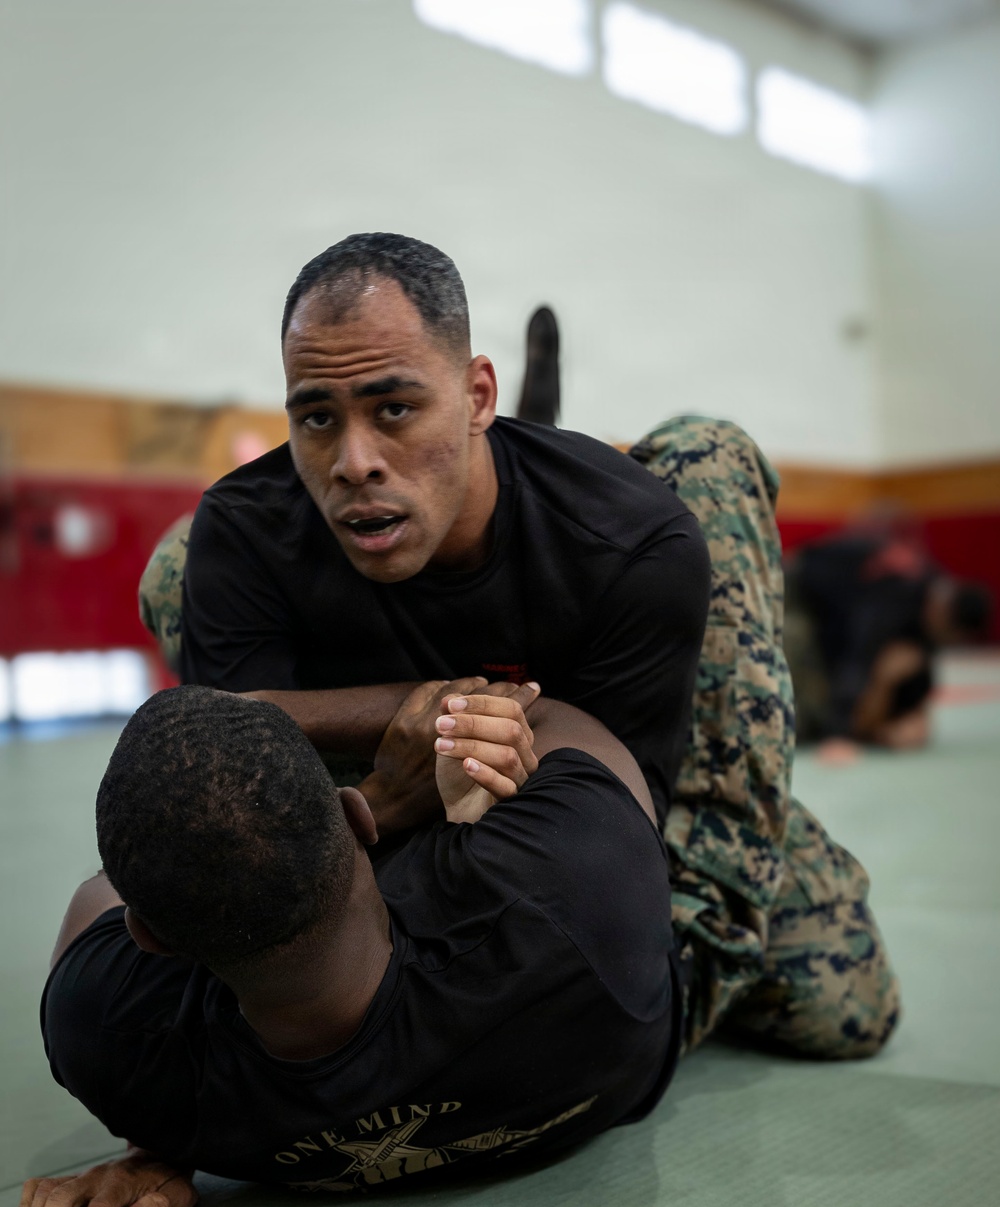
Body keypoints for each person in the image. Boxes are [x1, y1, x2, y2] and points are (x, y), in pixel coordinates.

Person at [140, 237, 897, 1054]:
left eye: (394, 410)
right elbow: (233, 780)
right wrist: (403, 751)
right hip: (392, 783)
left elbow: (624, 826)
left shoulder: (630, 539)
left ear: (477, 396)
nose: (354, 463)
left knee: (843, 1009)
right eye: (317, 418)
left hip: (608, 763)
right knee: (176, 567)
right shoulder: (247, 531)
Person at [18, 682, 682, 1207]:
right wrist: (260, 707)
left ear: (148, 939)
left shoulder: (104, 1038)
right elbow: (545, 717)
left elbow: (98, 899)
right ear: (358, 818)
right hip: (669, 966)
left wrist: (158, 1144)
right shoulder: (572, 884)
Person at [784, 528, 993, 749]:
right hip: (798, 585)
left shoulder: (931, 606)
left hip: (825, 595)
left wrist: (913, 715)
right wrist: (838, 734)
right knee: (791, 644)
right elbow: (856, 657)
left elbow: (916, 672)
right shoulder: (893, 605)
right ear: (943, 614)